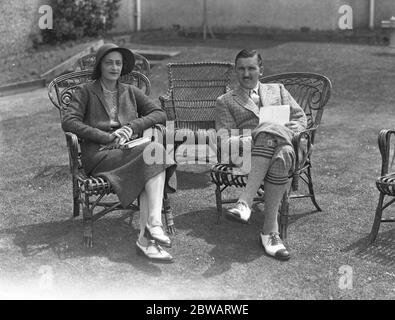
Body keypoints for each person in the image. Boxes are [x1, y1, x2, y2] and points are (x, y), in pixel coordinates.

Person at [62, 43, 177, 262]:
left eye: (118, 63)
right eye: (109, 62)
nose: (114, 67)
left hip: (128, 151)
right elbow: (69, 121)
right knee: (153, 154)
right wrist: (104, 136)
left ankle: (147, 239)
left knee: (152, 158)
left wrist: (132, 127)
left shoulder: (130, 91)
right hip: (99, 154)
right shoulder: (86, 91)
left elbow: (159, 114)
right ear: (100, 65)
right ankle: (153, 227)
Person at [215, 49, 307, 261]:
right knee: (276, 148)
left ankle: (245, 201)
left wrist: (295, 126)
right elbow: (225, 141)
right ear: (235, 72)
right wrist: (257, 137)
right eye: (241, 69)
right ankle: (269, 233)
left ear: (261, 70)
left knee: (275, 140)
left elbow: (301, 119)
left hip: (291, 146)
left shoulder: (279, 90)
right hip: (248, 156)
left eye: (251, 68)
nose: (246, 74)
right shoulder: (225, 101)